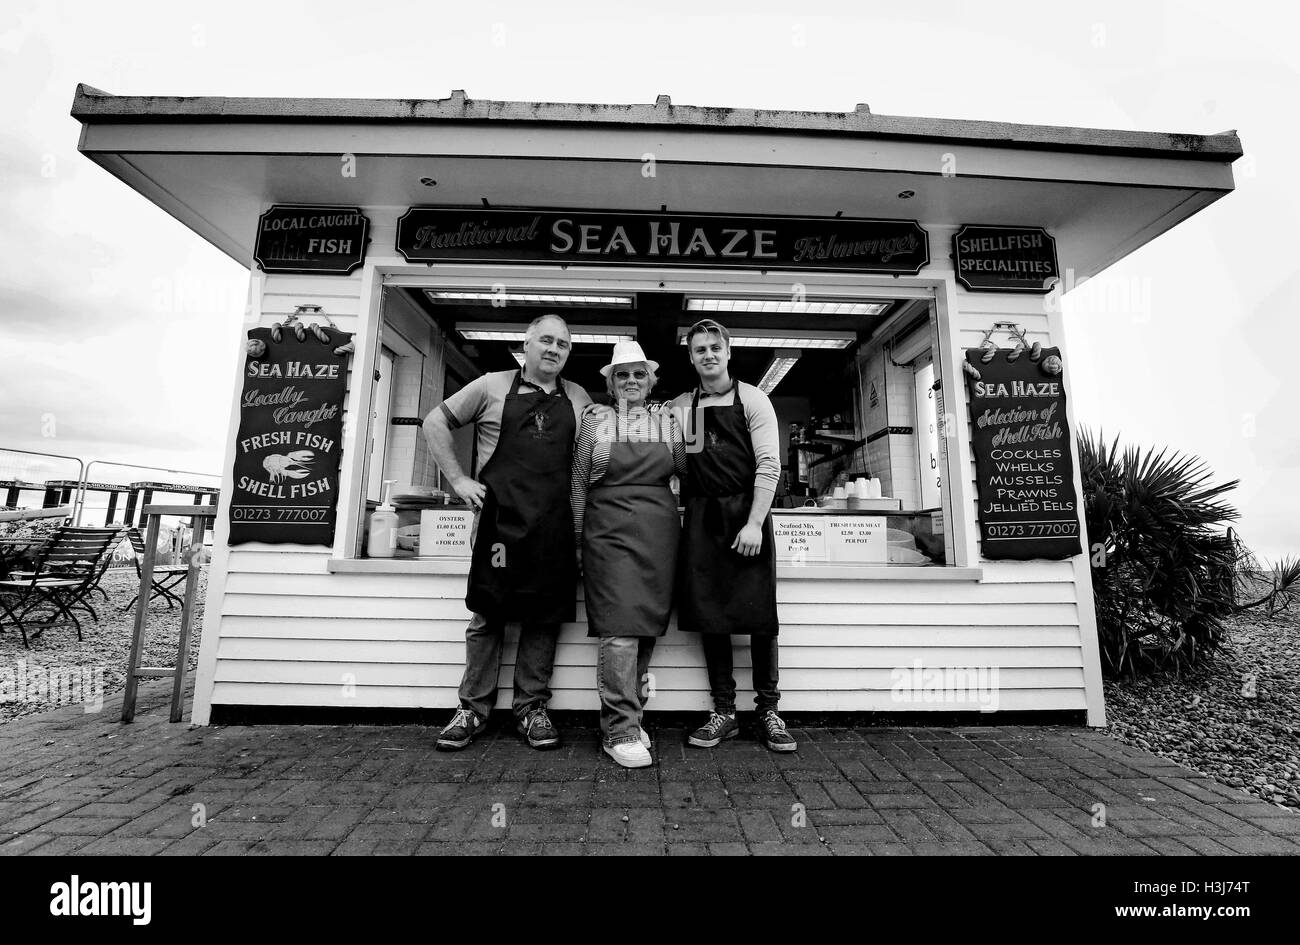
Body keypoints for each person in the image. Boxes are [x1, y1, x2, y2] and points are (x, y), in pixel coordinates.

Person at [423, 313, 592, 751]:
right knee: (488, 615)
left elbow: (594, 457)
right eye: (547, 341)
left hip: (553, 526)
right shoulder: (490, 385)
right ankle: (471, 709)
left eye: (563, 344)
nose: (554, 350)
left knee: (543, 617)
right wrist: (459, 480)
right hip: (498, 524)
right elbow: (433, 423)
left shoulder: (577, 396)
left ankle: (531, 709)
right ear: (527, 343)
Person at [671, 318, 797, 753]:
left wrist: (754, 522)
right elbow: (677, 462)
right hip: (704, 517)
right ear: (690, 357)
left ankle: (768, 710)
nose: (708, 354)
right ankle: (723, 711)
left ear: (728, 353)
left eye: (715, 347)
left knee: (760, 616)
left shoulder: (754, 399)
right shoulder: (682, 406)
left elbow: (769, 465)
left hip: (748, 515)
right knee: (712, 616)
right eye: (699, 349)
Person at [571, 341, 686, 768]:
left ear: (652, 380)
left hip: (658, 535)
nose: (632, 381)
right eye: (622, 374)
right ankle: (618, 729)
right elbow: (579, 483)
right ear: (610, 383)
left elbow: (688, 475)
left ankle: (631, 717)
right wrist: (580, 539)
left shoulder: (670, 423)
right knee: (619, 626)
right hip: (608, 532)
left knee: (646, 624)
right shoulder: (593, 424)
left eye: (639, 374)